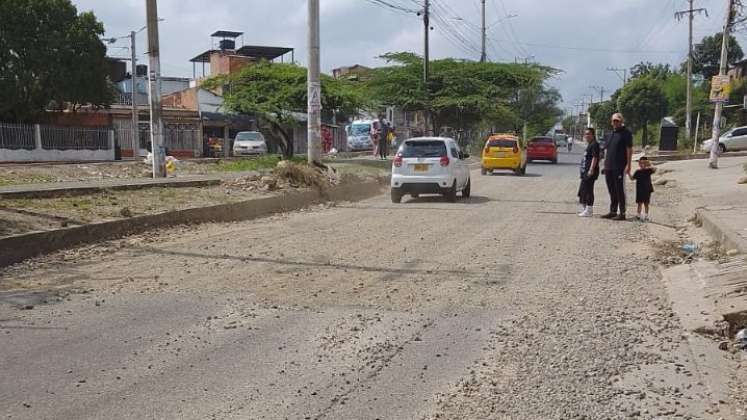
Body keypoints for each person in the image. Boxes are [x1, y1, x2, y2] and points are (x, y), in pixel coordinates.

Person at [601, 113, 633, 221]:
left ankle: (622, 212)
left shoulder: (626, 133)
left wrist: (629, 164)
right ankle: (613, 210)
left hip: (619, 166)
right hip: (609, 166)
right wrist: (604, 165)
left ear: (621, 121)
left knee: (619, 190)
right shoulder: (609, 135)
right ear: (611, 122)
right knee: (611, 189)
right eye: (614, 121)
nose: (615, 122)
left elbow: (629, 149)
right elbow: (606, 151)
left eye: (617, 121)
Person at [577, 128, 601, 217]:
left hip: (590, 172)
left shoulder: (595, 144)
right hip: (585, 171)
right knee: (583, 190)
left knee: (588, 190)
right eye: (585, 134)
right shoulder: (590, 145)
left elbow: (595, 157)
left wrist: (591, 169)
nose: (587, 136)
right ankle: (585, 208)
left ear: (593, 135)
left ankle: (589, 209)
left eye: (588, 134)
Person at [631, 156, 656, 221]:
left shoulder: (648, 170)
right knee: (639, 203)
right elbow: (632, 178)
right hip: (639, 189)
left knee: (646, 203)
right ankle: (638, 215)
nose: (642, 165)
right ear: (639, 164)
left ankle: (646, 215)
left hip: (647, 189)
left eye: (644, 163)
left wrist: (649, 164)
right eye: (641, 163)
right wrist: (628, 172)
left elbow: (654, 169)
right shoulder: (637, 172)